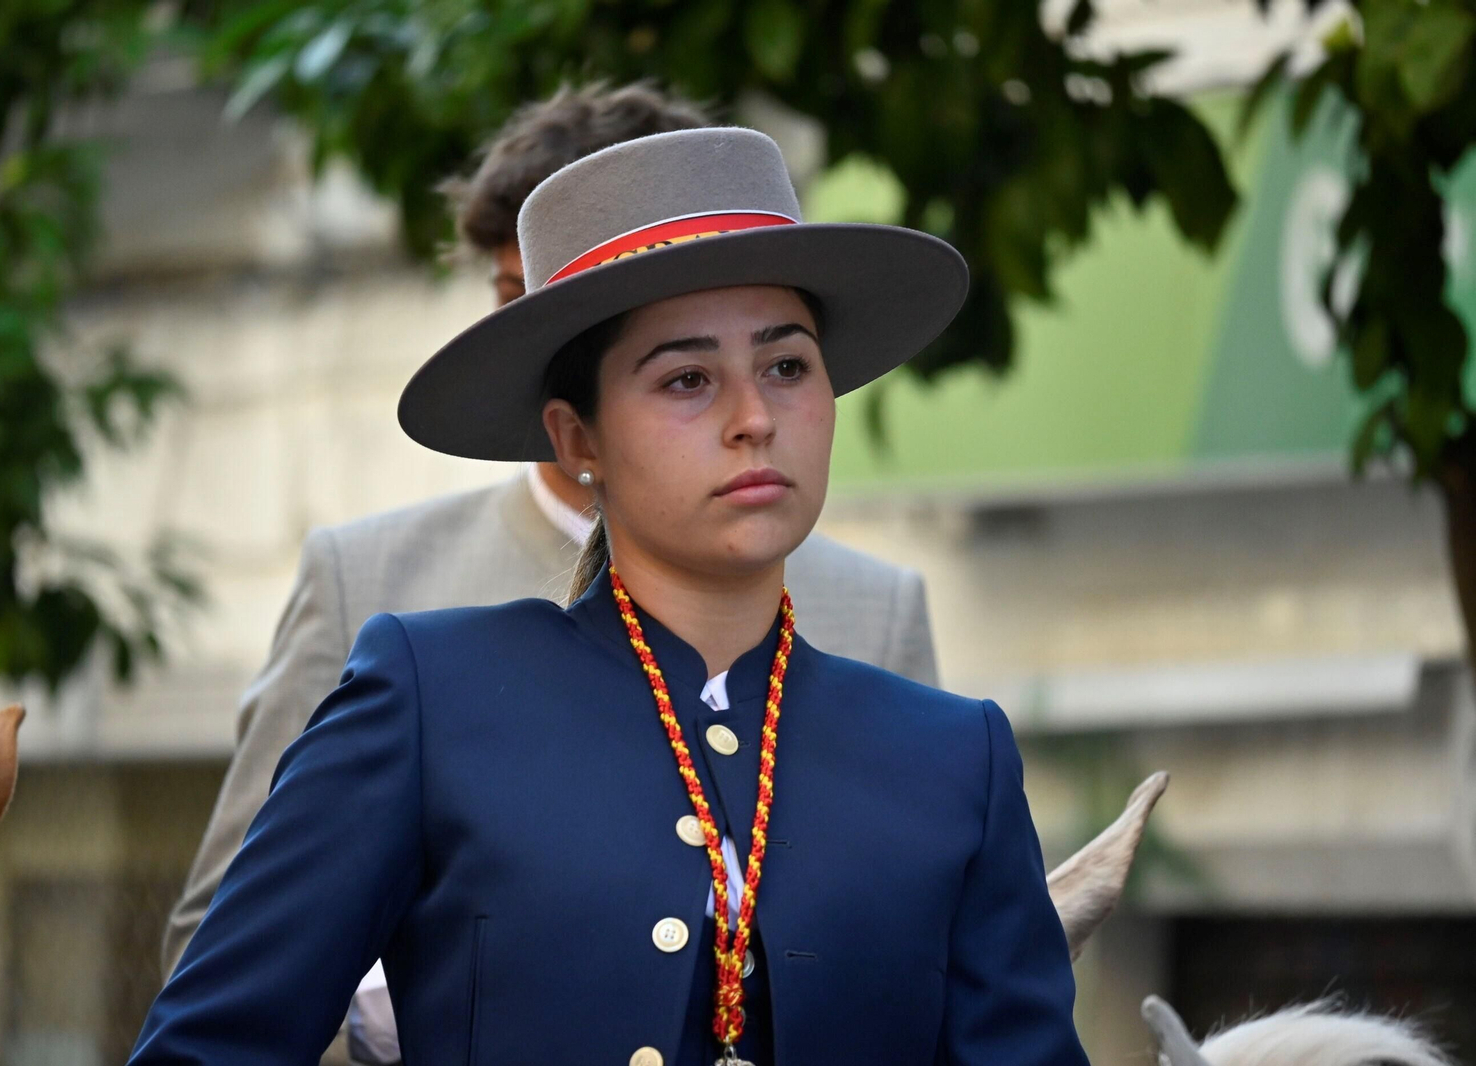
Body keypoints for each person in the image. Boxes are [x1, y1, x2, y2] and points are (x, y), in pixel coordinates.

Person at [131, 127, 1086, 1066]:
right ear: (577, 439)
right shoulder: (434, 696)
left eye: (787, 366)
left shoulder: (954, 758)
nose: (754, 419)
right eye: (686, 379)